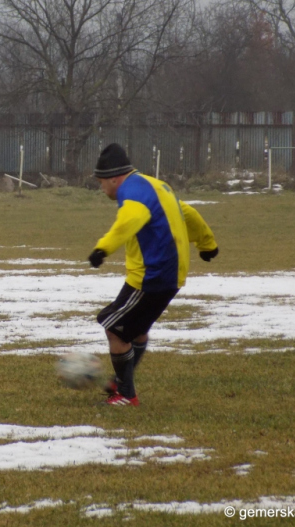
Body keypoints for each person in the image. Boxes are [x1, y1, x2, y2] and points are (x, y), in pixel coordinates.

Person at [88, 143, 218, 406]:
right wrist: (207, 244)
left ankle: (125, 394)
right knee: (136, 331)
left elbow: (129, 220)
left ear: (114, 177)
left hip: (152, 276)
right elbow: (187, 212)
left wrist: (103, 249)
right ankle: (122, 383)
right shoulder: (154, 185)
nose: (101, 187)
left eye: (101, 181)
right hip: (170, 274)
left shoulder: (131, 193)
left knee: (114, 327)